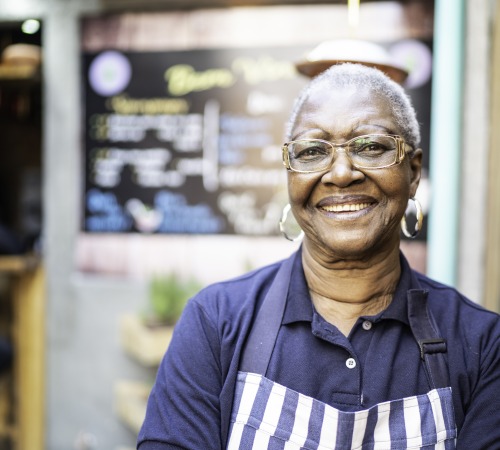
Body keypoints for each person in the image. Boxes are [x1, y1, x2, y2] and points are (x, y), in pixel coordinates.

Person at [137, 64, 500, 449]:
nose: (341, 174)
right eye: (312, 151)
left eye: (371, 146)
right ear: (290, 176)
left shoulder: (482, 344)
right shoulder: (216, 322)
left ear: (413, 172)